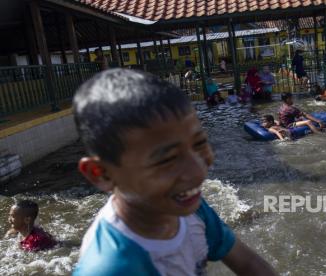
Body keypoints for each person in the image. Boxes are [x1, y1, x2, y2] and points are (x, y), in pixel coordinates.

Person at [72, 69, 276, 275]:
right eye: (167, 159)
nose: (198, 173)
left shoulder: (189, 207)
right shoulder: (111, 268)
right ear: (101, 173)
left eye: (199, 143)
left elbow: (249, 264)